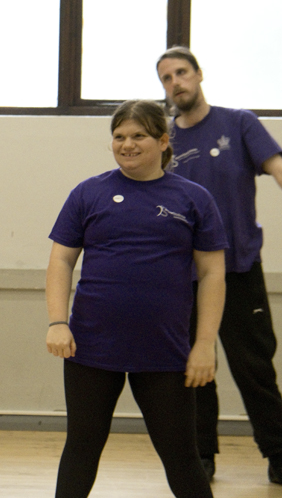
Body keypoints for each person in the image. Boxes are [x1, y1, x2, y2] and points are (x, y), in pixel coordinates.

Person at [46, 99, 227, 498]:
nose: (127, 144)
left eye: (138, 136)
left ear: (163, 141)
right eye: (119, 136)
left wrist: (203, 345)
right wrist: (58, 321)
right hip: (91, 349)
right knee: (81, 448)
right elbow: (61, 260)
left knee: (181, 455)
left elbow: (213, 274)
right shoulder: (88, 193)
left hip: (165, 352)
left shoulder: (194, 199)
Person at [157, 46, 282, 483]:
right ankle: (201, 456)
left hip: (239, 269)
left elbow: (277, 166)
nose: (176, 83)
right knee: (195, 370)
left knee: (255, 368)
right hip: (184, 278)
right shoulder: (166, 141)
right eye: (167, 78)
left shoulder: (239, 123)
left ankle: (279, 453)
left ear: (199, 74)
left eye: (182, 73)